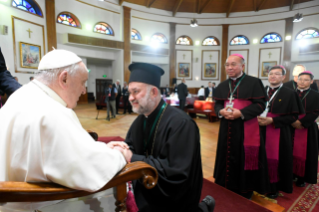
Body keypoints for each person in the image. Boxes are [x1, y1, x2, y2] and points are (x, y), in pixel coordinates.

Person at [0, 49, 127, 212]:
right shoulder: (51, 111)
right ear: (64, 78)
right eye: (83, 82)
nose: (83, 91)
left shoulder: (20, 96)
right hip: (38, 206)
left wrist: (102, 148)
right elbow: (85, 168)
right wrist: (119, 154)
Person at [120, 63, 214, 212]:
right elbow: (130, 146)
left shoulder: (181, 124)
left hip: (174, 202)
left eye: (136, 92)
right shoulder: (140, 121)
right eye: (129, 92)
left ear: (154, 92)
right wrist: (121, 148)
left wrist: (133, 157)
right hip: (147, 194)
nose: (131, 98)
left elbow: (177, 173)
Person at [213, 54, 270, 199]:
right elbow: (218, 103)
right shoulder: (222, 85)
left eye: (233, 64)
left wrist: (241, 113)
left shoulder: (254, 82)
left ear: (242, 66)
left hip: (245, 127)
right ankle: (224, 184)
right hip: (227, 126)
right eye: (227, 65)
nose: (229, 68)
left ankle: (245, 189)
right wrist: (221, 111)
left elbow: (260, 104)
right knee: (225, 154)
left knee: (244, 157)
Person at [257, 66, 303, 199]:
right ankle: (260, 183)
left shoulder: (290, 93)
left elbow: (294, 117)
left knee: (277, 159)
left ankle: (273, 187)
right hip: (259, 130)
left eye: (277, 74)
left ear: (283, 77)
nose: (273, 76)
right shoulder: (261, 91)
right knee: (260, 157)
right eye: (271, 73)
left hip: (279, 132)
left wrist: (272, 120)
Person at [291, 71, 319, 187]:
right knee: (289, 150)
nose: (302, 82)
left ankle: (302, 177)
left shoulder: (316, 95)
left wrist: (301, 122)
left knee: (307, 153)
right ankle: (291, 172)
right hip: (290, 126)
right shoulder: (290, 93)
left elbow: (316, 112)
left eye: (306, 80)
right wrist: (292, 121)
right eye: (300, 79)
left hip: (307, 128)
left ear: (311, 82)